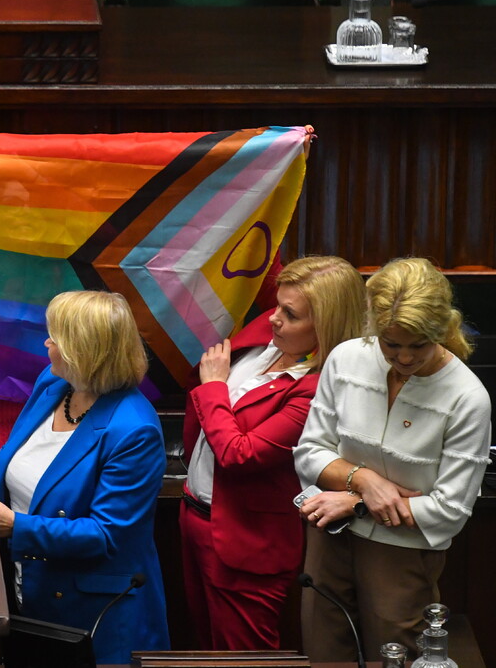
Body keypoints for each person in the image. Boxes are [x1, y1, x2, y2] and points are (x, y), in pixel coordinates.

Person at [294, 257, 491, 661]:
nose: (402, 358)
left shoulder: (467, 398)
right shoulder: (346, 359)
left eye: (418, 345)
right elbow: (310, 452)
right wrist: (365, 481)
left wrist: (357, 503)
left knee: (396, 657)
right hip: (329, 535)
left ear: (443, 329)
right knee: (325, 654)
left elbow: (451, 509)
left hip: (402, 553)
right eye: (390, 343)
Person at [0, 290, 169, 664]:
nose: (46, 342)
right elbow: (9, 461)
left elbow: (106, 536)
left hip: (89, 612)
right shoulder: (54, 384)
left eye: (56, 337)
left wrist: (14, 527)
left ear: (83, 351)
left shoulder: (134, 430)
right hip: (27, 588)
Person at [180, 255, 367, 650]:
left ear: (326, 325)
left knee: (244, 657)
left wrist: (214, 386)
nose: (273, 318)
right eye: (278, 305)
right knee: (202, 649)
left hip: (244, 540)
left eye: (290, 314)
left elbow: (240, 455)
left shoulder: (319, 386)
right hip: (196, 517)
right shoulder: (274, 338)